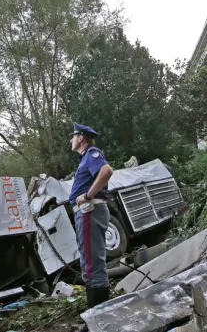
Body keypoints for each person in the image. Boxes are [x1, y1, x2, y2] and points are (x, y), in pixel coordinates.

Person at [69, 122, 114, 311]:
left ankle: (98, 316)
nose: (70, 140)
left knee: (92, 264)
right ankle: (97, 313)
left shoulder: (91, 154)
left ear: (80, 138)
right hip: (87, 213)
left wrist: (87, 195)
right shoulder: (84, 159)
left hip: (89, 211)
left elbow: (106, 171)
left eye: (72, 136)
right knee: (90, 262)